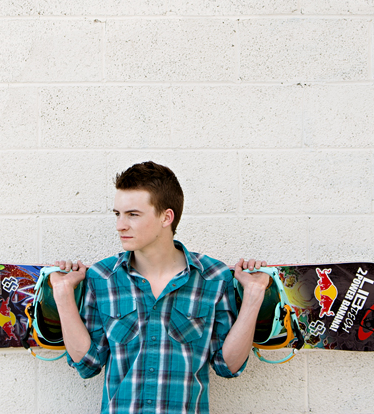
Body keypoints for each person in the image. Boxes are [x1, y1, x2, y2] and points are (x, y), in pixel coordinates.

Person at [49, 161, 270, 414]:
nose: (120, 225)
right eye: (117, 214)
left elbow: (227, 366)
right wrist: (63, 294)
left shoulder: (213, 277)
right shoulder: (102, 277)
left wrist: (253, 296)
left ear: (166, 217)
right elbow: (87, 364)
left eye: (133, 214)